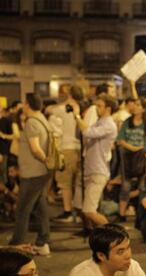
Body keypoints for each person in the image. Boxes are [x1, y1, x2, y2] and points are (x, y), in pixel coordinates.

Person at [9, 93, 51, 256]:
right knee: (40, 207)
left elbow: (35, 148)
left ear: (27, 105)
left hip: (33, 172)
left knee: (22, 209)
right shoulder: (42, 119)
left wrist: (45, 159)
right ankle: (43, 241)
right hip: (41, 172)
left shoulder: (31, 123)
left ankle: (16, 244)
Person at [72, 94, 118, 227]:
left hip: (98, 171)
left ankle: (113, 234)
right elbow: (81, 134)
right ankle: (97, 234)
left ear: (108, 108)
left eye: (99, 106)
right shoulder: (99, 122)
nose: (96, 108)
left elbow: (87, 132)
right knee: (82, 207)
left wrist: (77, 116)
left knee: (89, 211)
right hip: (90, 169)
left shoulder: (109, 125)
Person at [117, 97, 146, 222]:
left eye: (137, 105)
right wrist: (133, 148)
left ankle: (141, 214)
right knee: (125, 185)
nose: (134, 106)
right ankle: (122, 214)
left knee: (143, 186)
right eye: (134, 104)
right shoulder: (127, 122)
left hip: (142, 158)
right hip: (128, 158)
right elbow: (120, 140)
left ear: (142, 109)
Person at [47, 85, 84, 223]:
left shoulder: (62, 109)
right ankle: (79, 212)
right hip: (80, 149)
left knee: (65, 183)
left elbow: (49, 110)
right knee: (77, 183)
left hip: (66, 148)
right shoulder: (83, 108)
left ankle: (68, 212)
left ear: (69, 94)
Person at [69, 223, 146, 276]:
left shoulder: (132, 266)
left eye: (128, 248)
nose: (128, 256)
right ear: (101, 255)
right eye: (120, 252)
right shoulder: (82, 274)